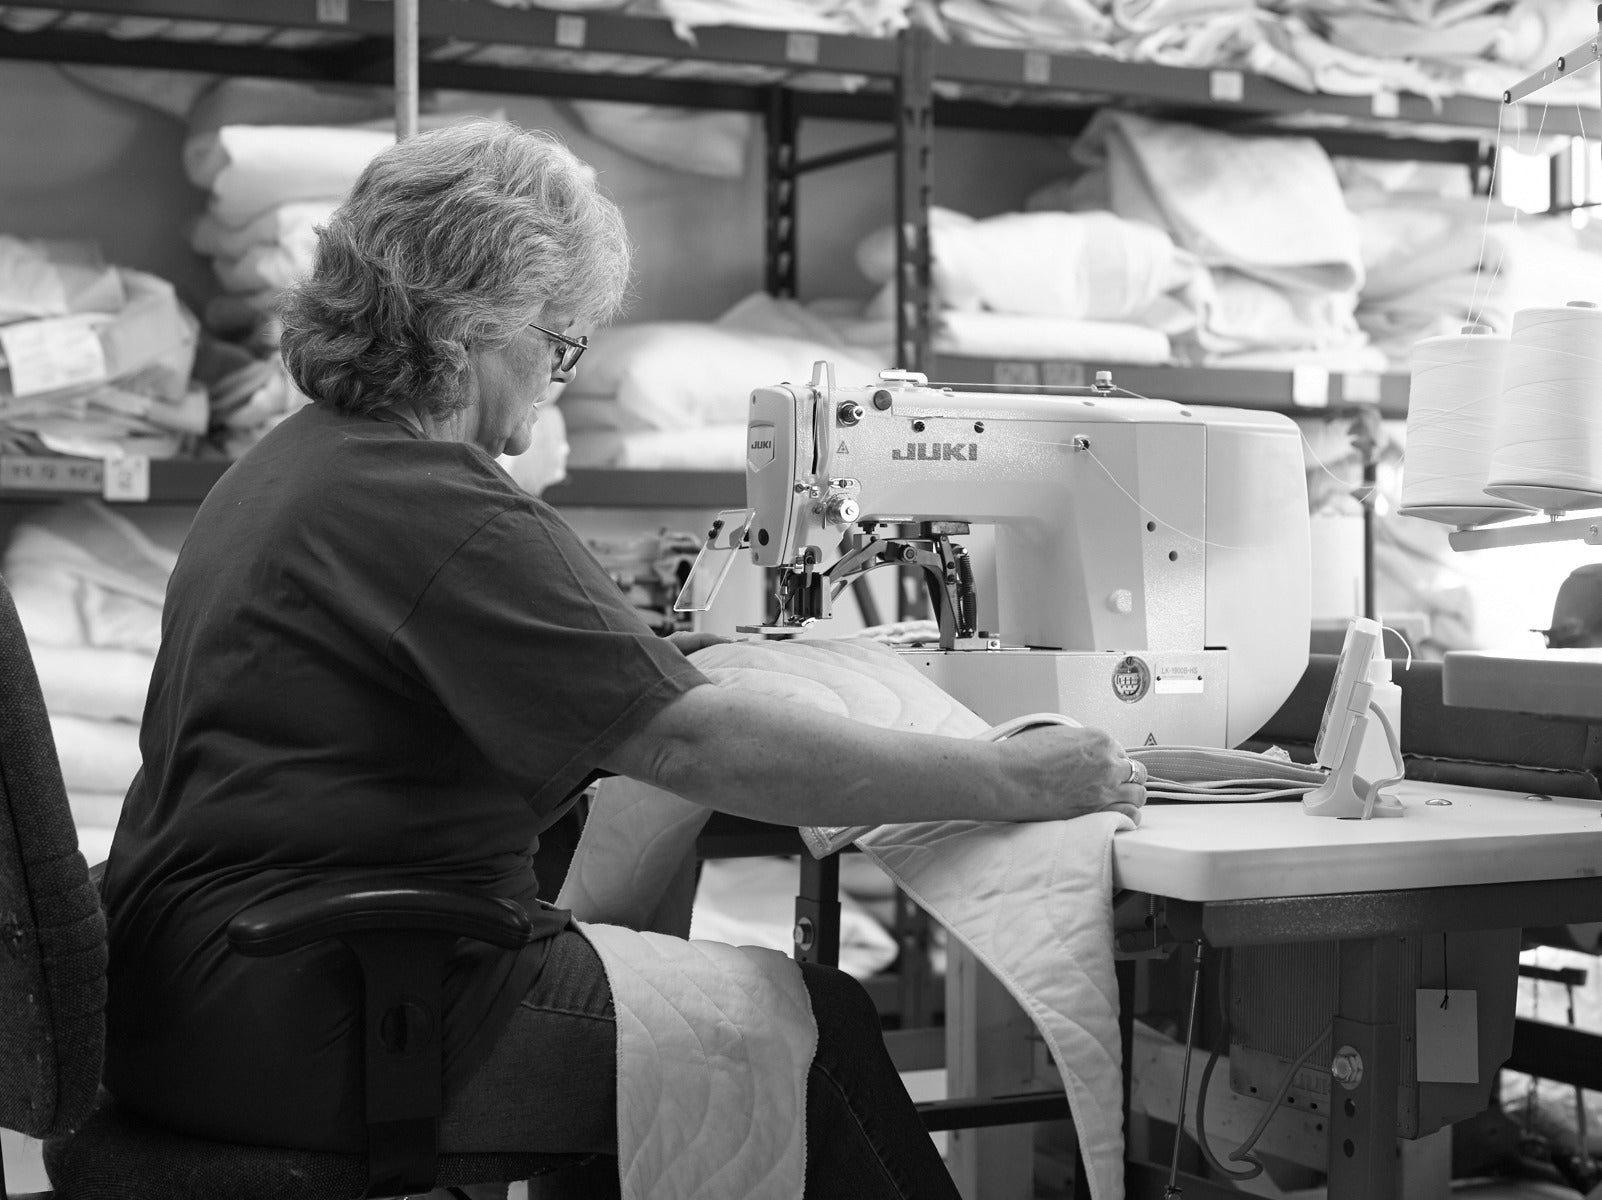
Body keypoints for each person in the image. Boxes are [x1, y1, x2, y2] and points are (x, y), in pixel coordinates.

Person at [99, 120, 1146, 1199]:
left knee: (667, 1017)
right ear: (476, 326)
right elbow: (697, 750)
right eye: (560, 344)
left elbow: (420, 691)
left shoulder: (294, 468)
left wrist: (636, 666)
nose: (559, 377)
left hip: (194, 995)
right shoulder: (440, 506)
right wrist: (1013, 778)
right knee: (819, 1036)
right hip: (331, 1008)